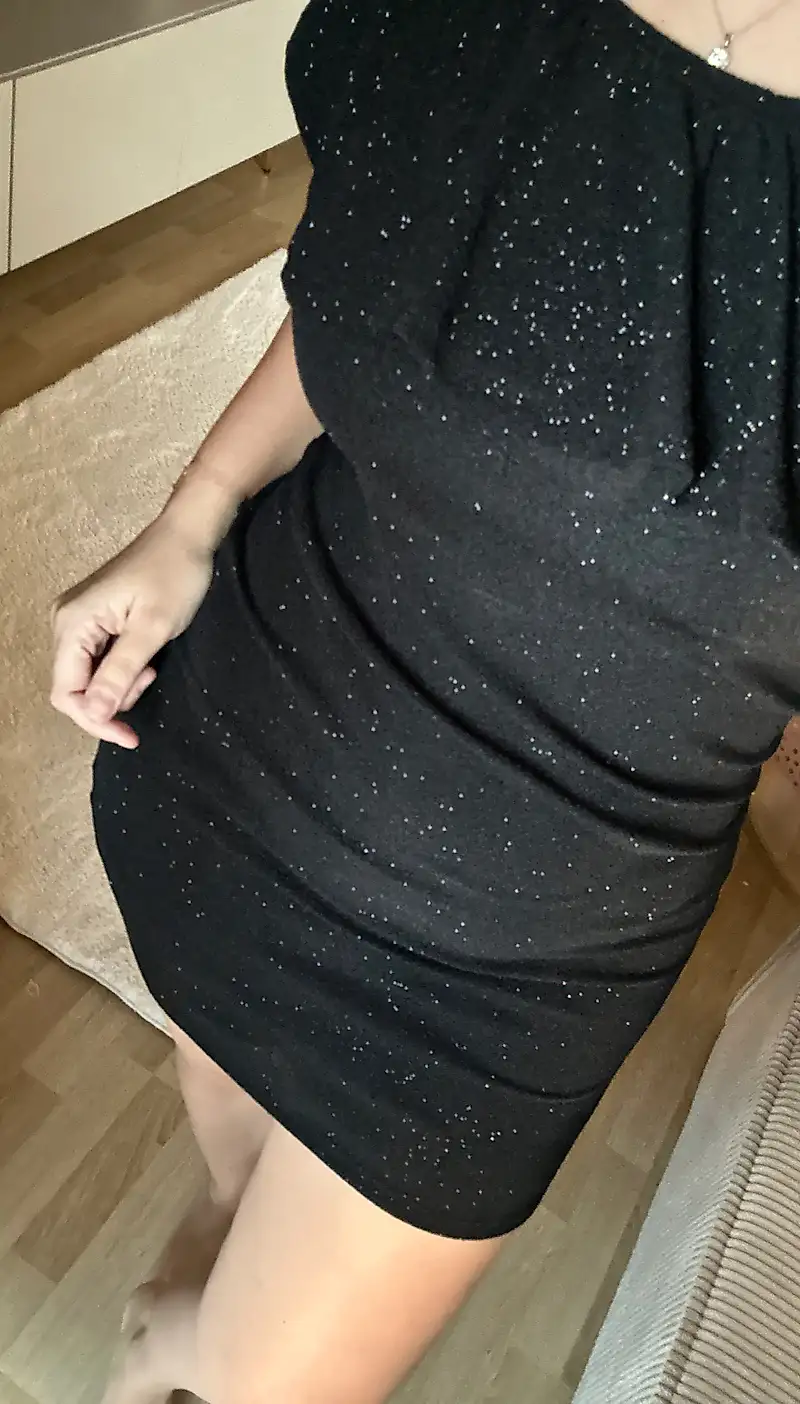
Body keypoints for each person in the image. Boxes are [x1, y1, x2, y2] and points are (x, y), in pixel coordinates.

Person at [50, 2, 800, 1401]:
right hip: (236, 765)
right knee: (229, 1199)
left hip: (508, 975)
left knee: (258, 1381)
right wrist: (193, 512)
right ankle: (205, 1262)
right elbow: (394, 280)